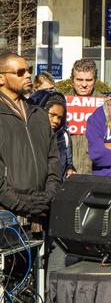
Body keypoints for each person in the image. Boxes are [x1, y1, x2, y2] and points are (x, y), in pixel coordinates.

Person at [0, 53, 61, 223]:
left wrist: (49, 195)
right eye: (20, 72)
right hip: (7, 214)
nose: (27, 75)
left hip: (41, 213)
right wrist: (21, 203)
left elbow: (54, 159)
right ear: (1, 78)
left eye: (29, 70)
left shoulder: (39, 114)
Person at [67, 58, 101, 174]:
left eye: (89, 80)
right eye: (79, 79)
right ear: (72, 80)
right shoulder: (61, 103)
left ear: (95, 80)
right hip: (67, 172)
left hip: (95, 171)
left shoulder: (105, 104)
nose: (84, 84)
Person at [31, 91, 75, 178]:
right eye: (52, 115)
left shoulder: (64, 136)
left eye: (59, 117)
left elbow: (68, 163)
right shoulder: (28, 135)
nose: (56, 121)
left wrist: (70, 169)